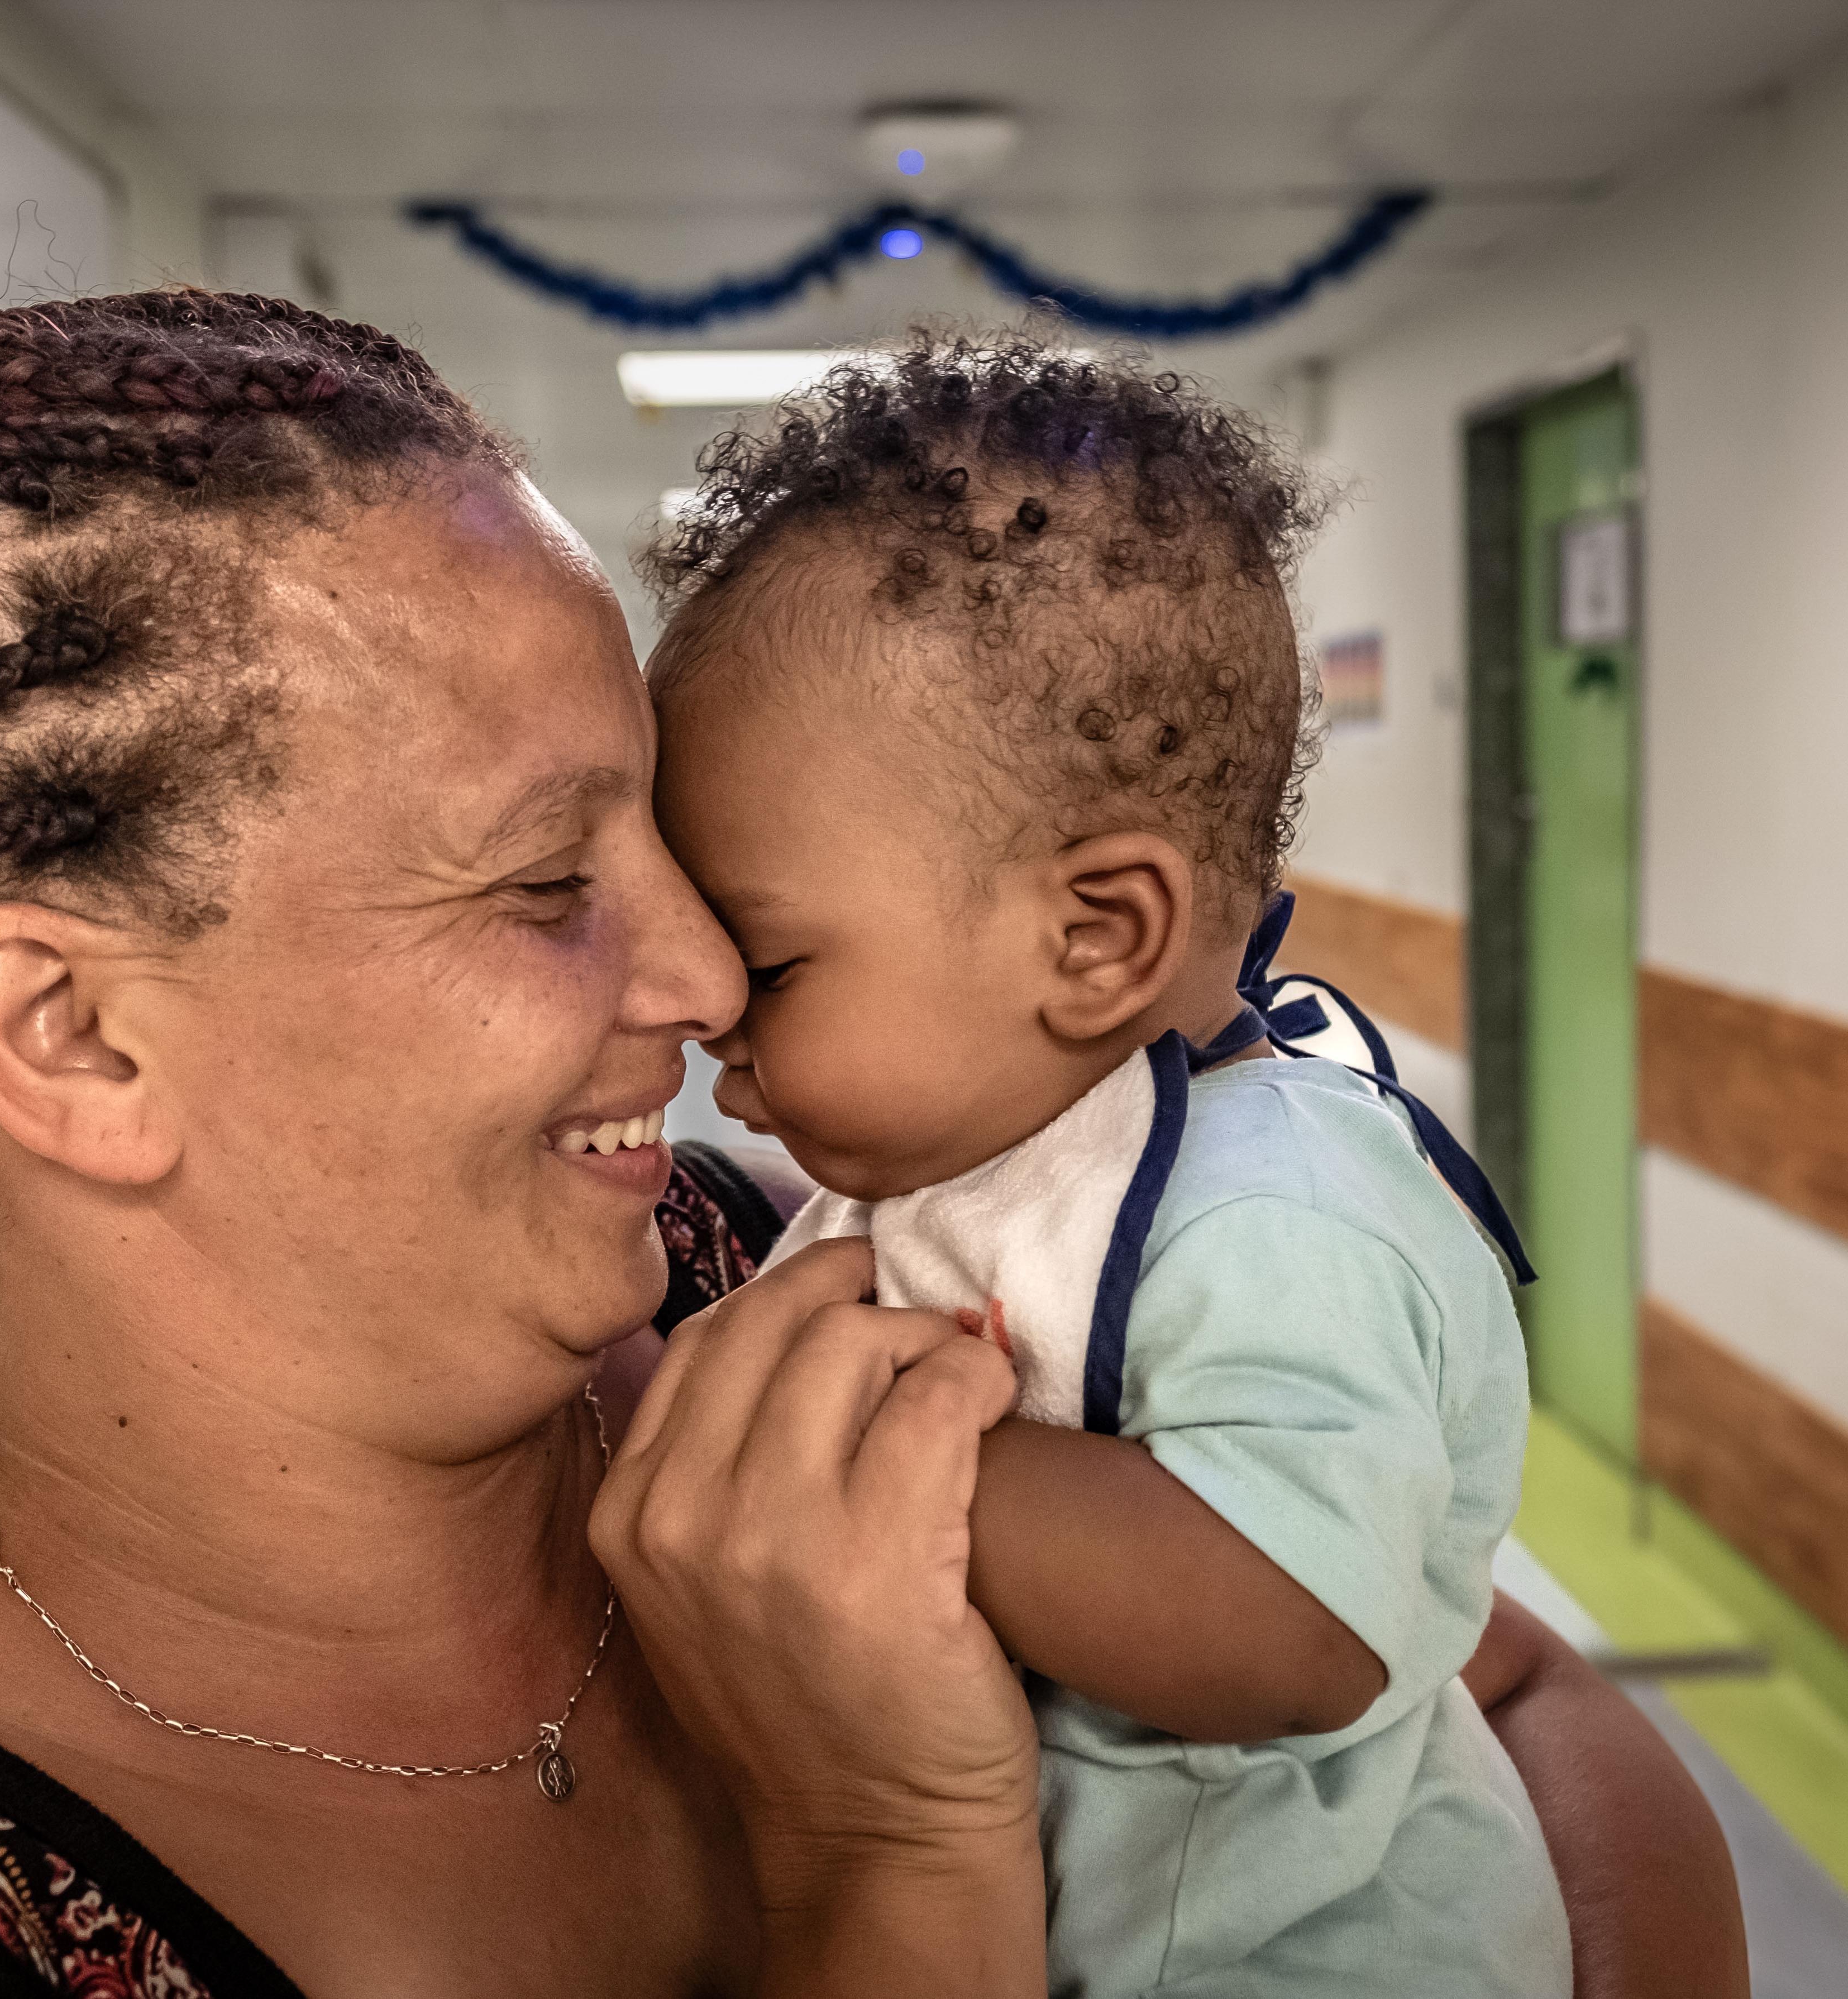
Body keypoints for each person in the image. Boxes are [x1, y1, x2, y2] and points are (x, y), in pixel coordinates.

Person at [0, 293, 1744, 1997]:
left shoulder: (779, 1269)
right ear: (70, 1031)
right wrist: (880, 1857)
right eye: (543, 882)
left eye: (677, 847)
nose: (710, 982)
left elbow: (1492, 1692)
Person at [645, 332, 1570, 1993]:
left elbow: (1286, 1626)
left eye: (769, 963)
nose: (711, 1002)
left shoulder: (1280, 1202)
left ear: (1096, 935)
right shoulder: (955, 1153)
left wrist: (893, 1468)